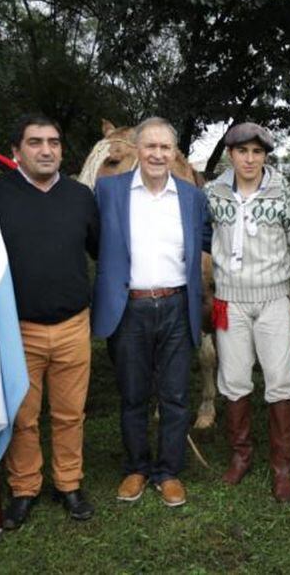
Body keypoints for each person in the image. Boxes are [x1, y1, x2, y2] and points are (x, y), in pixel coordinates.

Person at [0, 114, 100, 527]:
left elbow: (99, 249)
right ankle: (24, 487)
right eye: (35, 142)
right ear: (15, 151)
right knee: (23, 416)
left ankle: (69, 484)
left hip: (72, 325)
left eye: (53, 142)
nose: (46, 150)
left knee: (70, 414)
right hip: (17, 329)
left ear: (62, 150)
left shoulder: (81, 196)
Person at [92, 116, 208, 508]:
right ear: (136, 150)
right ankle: (137, 467)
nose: (158, 154)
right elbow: (94, 240)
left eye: (165, 147)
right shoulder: (108, 191)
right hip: (130, 307)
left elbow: (206, 242)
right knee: (133, 395)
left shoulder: (193, 197)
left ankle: (169, 471)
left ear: (174, 153)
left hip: (177, 304)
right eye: (150, 146)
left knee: (175, 395)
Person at [204, 122, 290, 501]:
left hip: (274, 296)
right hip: (230, 299)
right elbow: (203, 239)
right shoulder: (212, 192)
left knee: (280, 380)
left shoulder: (283, 190)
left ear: (265, 155)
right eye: (242, 151)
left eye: (257, 152)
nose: (250, 159)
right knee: (233, 377)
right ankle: (241, 456)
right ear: (230, 154)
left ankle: (282, 468)